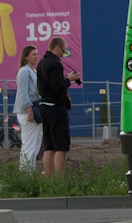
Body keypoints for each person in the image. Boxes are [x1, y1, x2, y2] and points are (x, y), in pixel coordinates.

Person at [37, 37, 80, 176]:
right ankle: (59, 180)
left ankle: (48, 178)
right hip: (56, 107)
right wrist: (69, 80)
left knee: (49, 145)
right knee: (61, 145)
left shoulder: (41, 63)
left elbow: (47, 85)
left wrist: (64, 79)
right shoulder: (55, 64)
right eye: (63, 51)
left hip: (44, 105)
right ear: (56, 48)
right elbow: (58, 88)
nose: (63, 54)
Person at [13, 45, 43, 171]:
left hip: (35, 110)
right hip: (28, 112)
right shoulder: (24, 71)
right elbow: (23, 92)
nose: (36, 56)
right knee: (29, 145)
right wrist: (29, 110)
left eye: (37, 54)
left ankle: (29, 172)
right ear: (26, 57)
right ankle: (25, 174)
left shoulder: (34, 71)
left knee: (35, 144)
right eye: (33, 54)